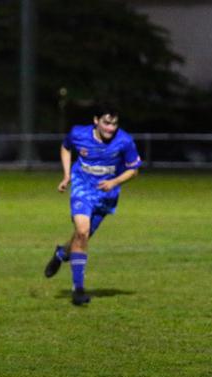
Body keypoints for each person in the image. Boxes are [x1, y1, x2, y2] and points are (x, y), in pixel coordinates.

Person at [44, 104, 141, 305]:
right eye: (106, 122)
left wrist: (114, 182)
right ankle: (78, 290)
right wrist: (66, 175)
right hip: (82, 187)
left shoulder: (124, 141)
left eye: (114, 124)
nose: (110, 128)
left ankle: (61, 254)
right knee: (82, 231)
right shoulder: (78, 133)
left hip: (106, 194)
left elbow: (134, 170)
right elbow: (65, 147)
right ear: (96, 120)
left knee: (83, 236)